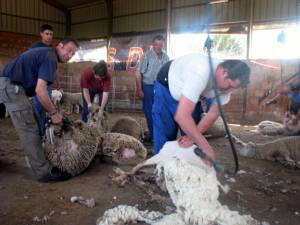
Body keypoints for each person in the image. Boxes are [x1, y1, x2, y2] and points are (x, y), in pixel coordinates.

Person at [0, 38, 79, 182]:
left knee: (35, 122)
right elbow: (41, 90)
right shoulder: (50, 58)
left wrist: (50, 111)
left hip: (14, 86)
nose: (70, 55)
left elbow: (39, 91)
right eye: (68, 50)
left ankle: (41, 162)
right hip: (11, 87)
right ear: (59, 46)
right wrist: (54, 113)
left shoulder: (47, 55)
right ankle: (43, 172)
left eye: (73, 54)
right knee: (29, 128)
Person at [152, 54, 250, 159]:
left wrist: (192, 138)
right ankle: (161, 166)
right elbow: (182, 116)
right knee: (165, 133)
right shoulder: (200, 70)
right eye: (230, 86)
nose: (229, 91)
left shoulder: (226, 86)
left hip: (193, 96)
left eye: (233, 88)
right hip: (168, 86)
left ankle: (187, 170)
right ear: (224, 72)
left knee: (192, 136)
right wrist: (205, 146)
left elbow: (212, 115)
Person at [136, 35, 169, 142]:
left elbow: (168, 73)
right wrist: (139, 89)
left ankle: (160, 134)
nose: (158, 47)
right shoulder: (147, 56)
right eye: (156, 44)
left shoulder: (166, 57)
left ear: (163, 44)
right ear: (153, 44)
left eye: (160, 44)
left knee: (160, 111)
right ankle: (153, 135)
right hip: (148, 86)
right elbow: (138, 73)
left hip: (160, 87)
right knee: (149, 111)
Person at [31, 24, 55, 137]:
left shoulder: (52, 49)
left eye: (51, 34)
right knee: (39, 108)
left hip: (48, 84)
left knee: (47, 107)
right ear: (41, 34)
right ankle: (39, 135)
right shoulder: (35, 47)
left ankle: (45, 132)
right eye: (46, 34)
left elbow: (53, 69)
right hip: (38, 83)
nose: (49, 36)